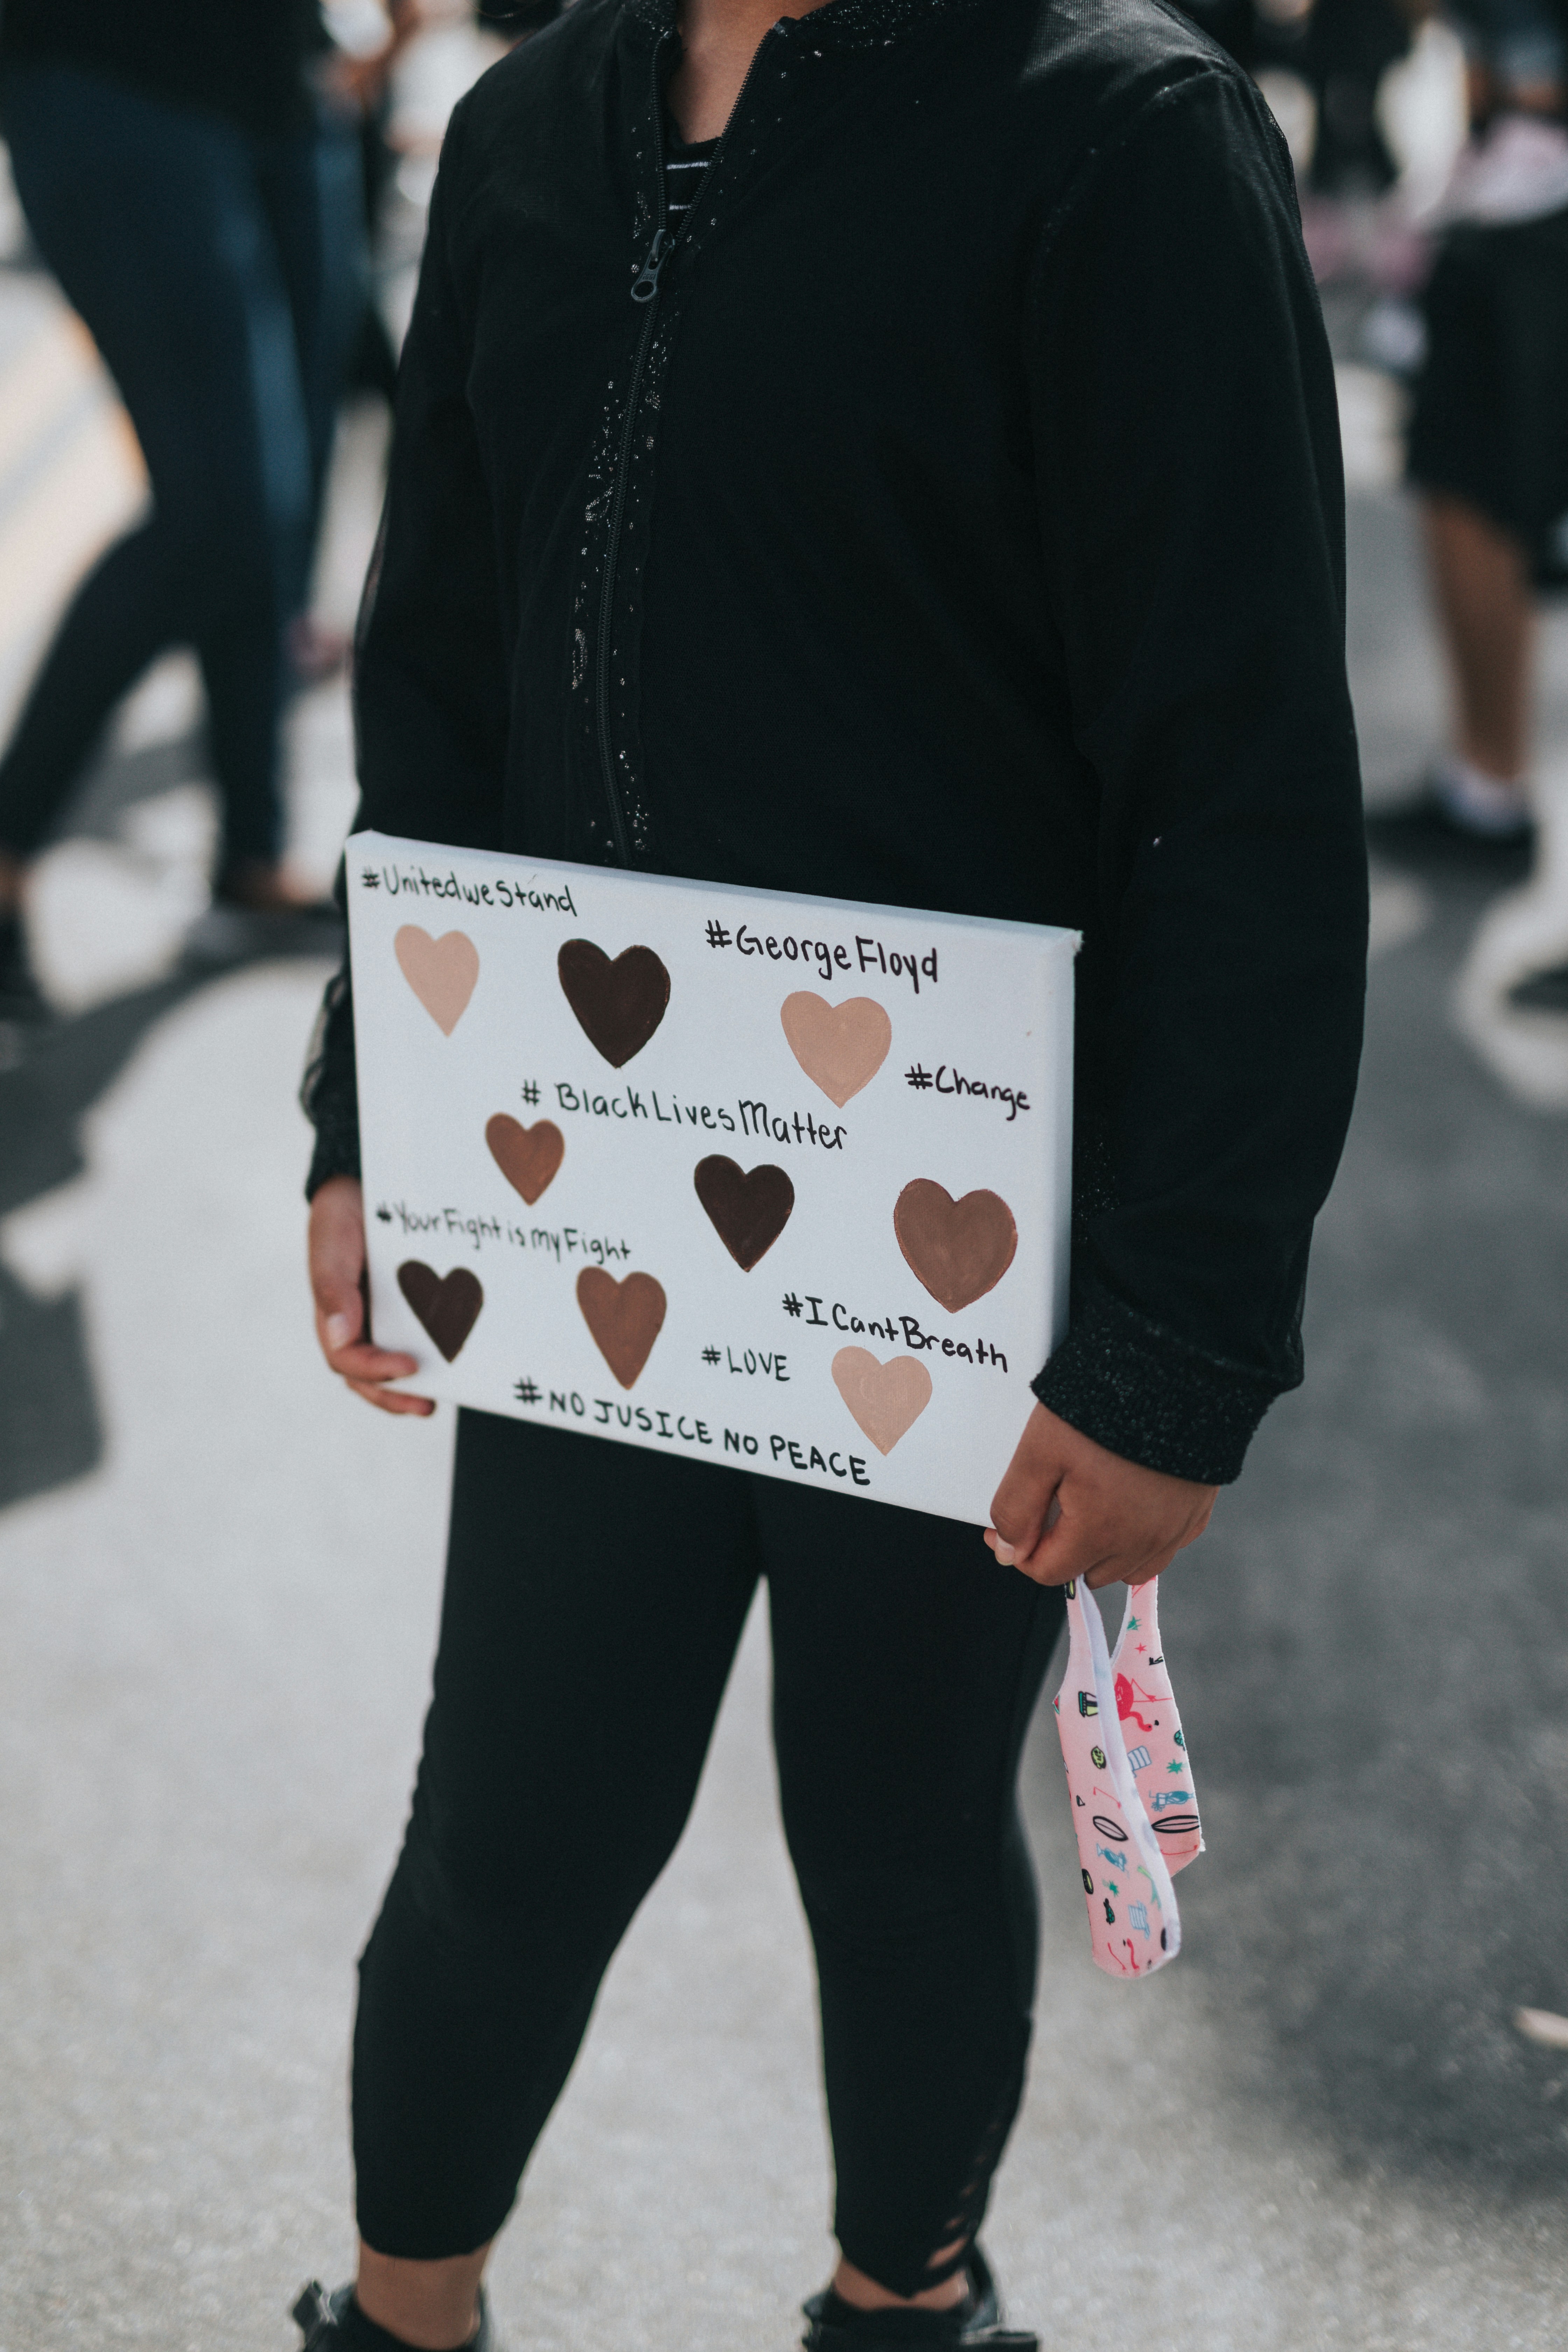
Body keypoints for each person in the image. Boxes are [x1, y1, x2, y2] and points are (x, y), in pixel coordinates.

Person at [295, 0, 1369, 2337]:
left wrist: (1181, 1346)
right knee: (515, 1817)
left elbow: (1246, 775)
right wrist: (367, 1110)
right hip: (579, 1197)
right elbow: (443, 672)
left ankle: (910, 2299)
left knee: (895, 1827)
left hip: (961, 1241)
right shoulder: (523, 130)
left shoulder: (1125, 136)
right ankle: (399, 2311)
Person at [0, 0, 365, 1015]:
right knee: (222, 516)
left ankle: (253, 856)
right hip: (113, 80)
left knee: (280, 514)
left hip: (288, 86)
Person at [1378, 0, 1568, 864]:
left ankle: (1488, 782)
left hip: (1532, 206)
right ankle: (1486, 781)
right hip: (1515, 189)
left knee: (1475, 488)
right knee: (1483, 495)